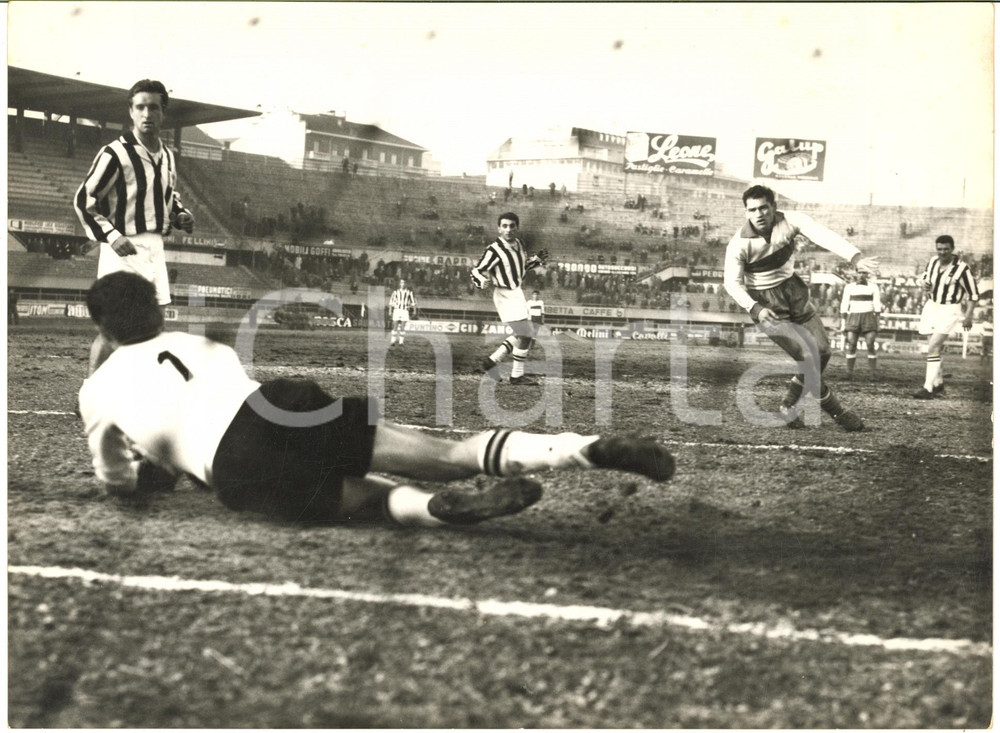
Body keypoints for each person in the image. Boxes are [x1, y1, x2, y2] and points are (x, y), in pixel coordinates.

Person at [78, 272, 675, 527]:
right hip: (280, 406)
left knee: (367, 503)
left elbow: (120, 480)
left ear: (101, 329)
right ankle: (582, 448)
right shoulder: (198, 342)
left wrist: (151, 475)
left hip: (235, 468)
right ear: (158, 309)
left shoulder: (96, 391)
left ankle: (431, 511)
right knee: (448, 451)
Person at [723, 185, 878, 431]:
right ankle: (838, 413)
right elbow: (730, 283)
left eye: (764, 207)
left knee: (824, 351)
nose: (759, 214)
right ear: (746, 213)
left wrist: (855, 257)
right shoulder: (738, 244)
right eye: (752, 209)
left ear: (774, 207)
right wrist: (756, 308)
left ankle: (788, 405)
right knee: (808, 356)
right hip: (767, 306)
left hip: (794, 292)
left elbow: (822, 234)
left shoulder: (791, 221)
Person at [73, 79, 194, 375]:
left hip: (155, 247)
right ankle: (92, 393)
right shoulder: (115, 153)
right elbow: (83, 199)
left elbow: (166, 195)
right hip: (123, 250)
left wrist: (180, 214)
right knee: (115, 328)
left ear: (163, 112)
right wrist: (112, 237)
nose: (146, 114)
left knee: (156, 324)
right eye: (140, 107)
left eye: (153, 107)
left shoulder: (166, 155)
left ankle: (134, 395)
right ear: (131, 112)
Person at [470, 212, 548, 385]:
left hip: (517, 292)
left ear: (517, 227)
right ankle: (516, 376)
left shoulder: (519, 244)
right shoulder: (494, 249)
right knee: (526, 334)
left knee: (522, 333)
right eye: (504, 226)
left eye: (512, 226)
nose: (508, 229)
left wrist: (536, 261)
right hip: (504, 294)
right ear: (499, 228)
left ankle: (491, 361)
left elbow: (519, 268)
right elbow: (476, 270)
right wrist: (481, 281)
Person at [912, 235, 979, 399]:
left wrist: (968, 316)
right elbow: (925, 278)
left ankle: (927, 388)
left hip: (950, 309)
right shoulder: (933, 262)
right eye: (939, 249)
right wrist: (924, 283)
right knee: (933, 347)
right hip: (931, 306)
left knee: (933, 346)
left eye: (946, 249)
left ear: (952, 249)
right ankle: (939, 383)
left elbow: (973, 294)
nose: (942, 252)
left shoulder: (962, 268)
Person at [839, 269, 882, 378]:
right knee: (852, 345)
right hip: (853, 317)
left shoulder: (873, 287)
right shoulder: (849, 287)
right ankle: (849, 373)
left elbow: (877, 304)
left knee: (870, 344)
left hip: (868, 317)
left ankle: (873, 373)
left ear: (867, 274)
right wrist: (843, 323)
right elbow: (844, 305)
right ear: (856, 273)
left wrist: (878, 322)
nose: (861, 275)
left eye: (864, 273)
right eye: (859, 272)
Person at [388, 278, 416, 347]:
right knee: (395, 326)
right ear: (399, 284)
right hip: (397, 310)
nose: (402, 284)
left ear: (406, 284)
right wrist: (390, 311)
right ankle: (393, 341)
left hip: (405, 311)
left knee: (402, 327)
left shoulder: (409, 292)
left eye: (404, 283)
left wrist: (414, 311)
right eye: (401, 283)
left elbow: (413, 303)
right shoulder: (395, 292)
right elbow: (391, 302)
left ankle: (401, 342)